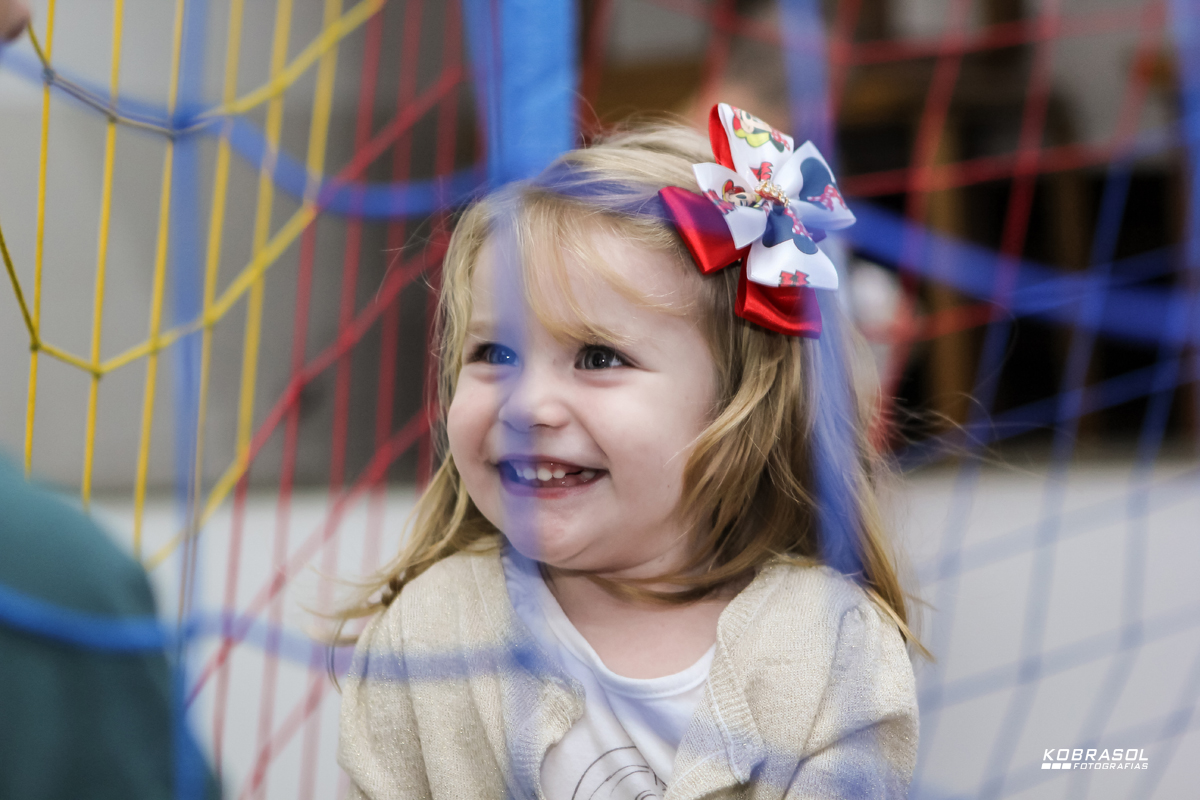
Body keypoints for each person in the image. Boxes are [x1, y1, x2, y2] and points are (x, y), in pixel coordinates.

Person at [337, 106, 920, 799]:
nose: (527, 407)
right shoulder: (425, 635)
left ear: (741, 406)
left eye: (598, 357)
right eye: (494, 353)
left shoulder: (833, 651)